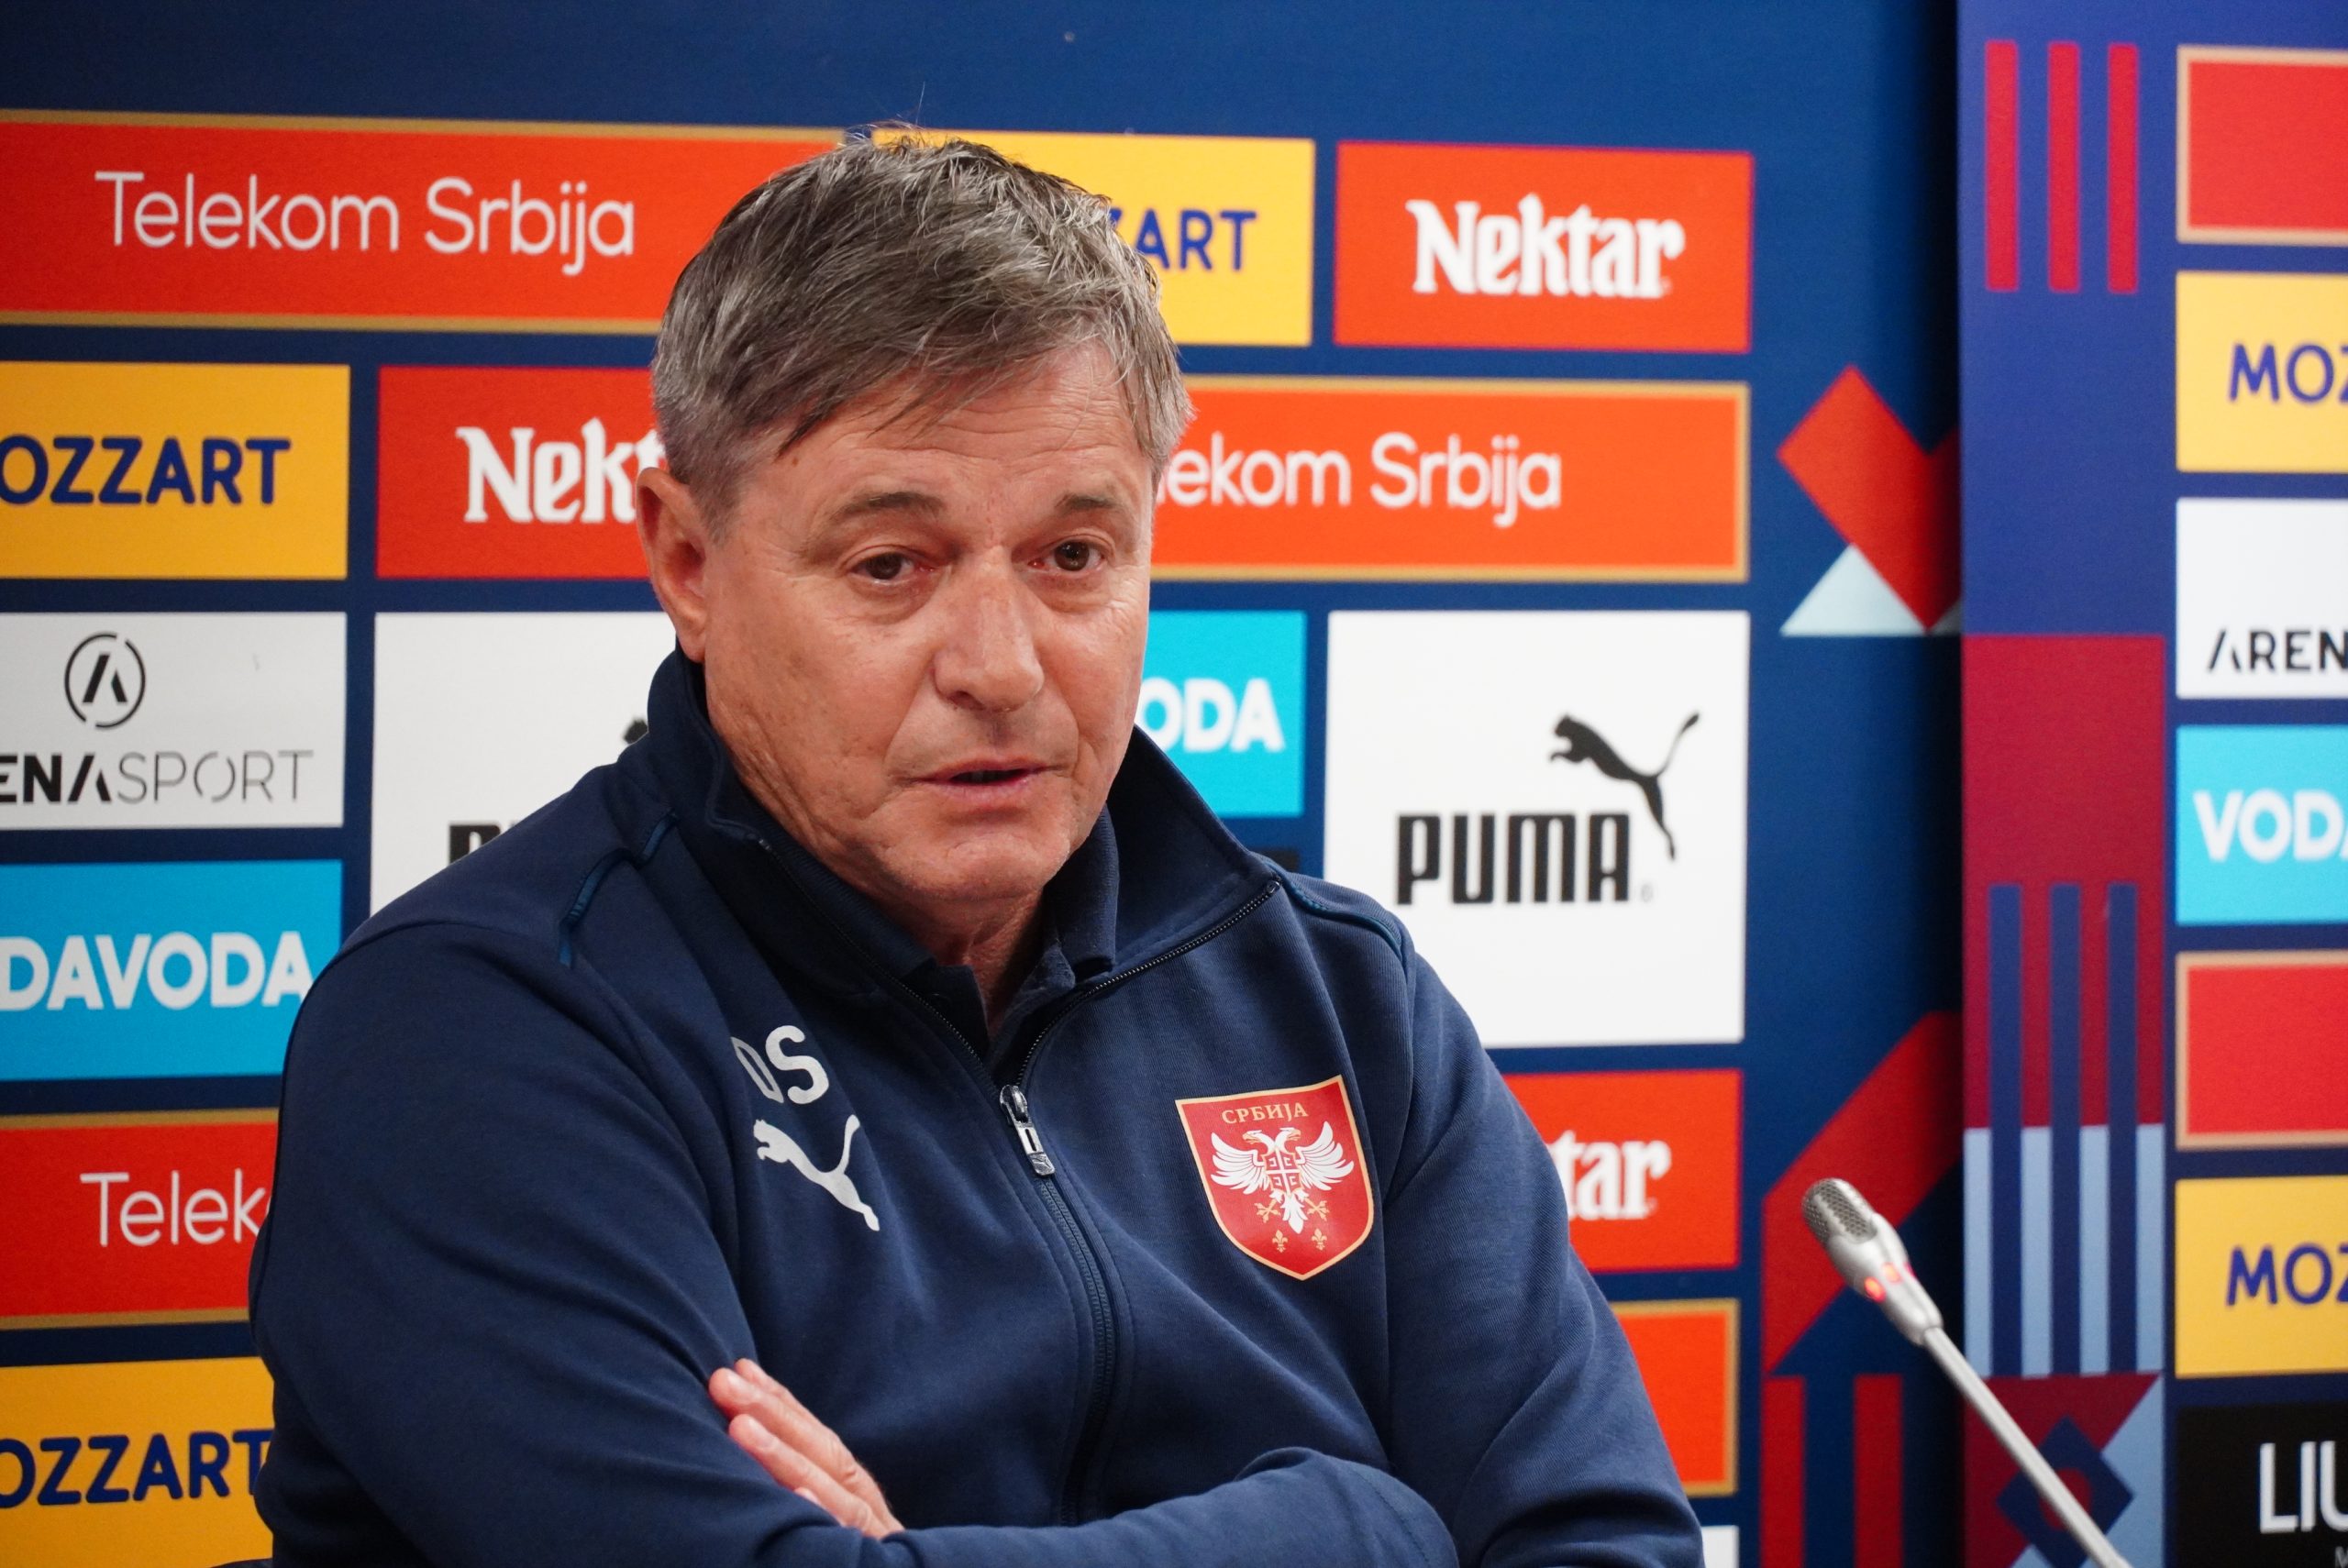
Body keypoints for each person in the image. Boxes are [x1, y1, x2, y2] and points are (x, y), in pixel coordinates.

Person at [249, 135, 1703, 1568]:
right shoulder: (479, 1028)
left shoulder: (1341, 997)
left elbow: (1606, 1544)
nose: (1000, 666)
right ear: (687, 561)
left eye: (1073, 557)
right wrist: (1366, 1524)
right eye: (893, 565)